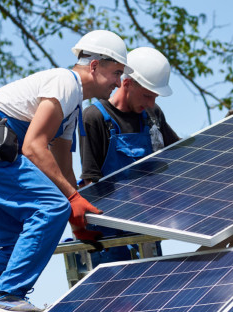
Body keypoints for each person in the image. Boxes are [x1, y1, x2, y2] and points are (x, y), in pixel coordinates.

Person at [0, 30, 131, 312]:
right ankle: (6, 296)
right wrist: (69, 201)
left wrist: (76, 221)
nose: (119, 83)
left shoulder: (72, 108)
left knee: (18, 244)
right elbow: (34, 148)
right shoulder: (65, 82)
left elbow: (62, 167)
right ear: (94, 66)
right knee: (50, 208)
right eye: (116, 72)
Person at [78, 47, 179, 267]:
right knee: (117, 297)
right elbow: (90, 182)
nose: (151, 103)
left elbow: (180, 156)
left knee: (155, 288)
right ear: (127, 83)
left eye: (155, 97)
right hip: (109, 234)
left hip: (146, 223)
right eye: (147, 95)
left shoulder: (153, 115)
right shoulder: (94, 117)